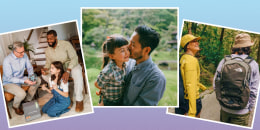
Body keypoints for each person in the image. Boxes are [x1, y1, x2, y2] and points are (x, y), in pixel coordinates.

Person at [214, 33, 259, 126]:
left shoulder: (224, 61)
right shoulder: (253, 64)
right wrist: (250, 108)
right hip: (242, 111)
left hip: (224, 108)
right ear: (248, 47)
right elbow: (254, 91)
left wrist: (222, 101)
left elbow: (216, 84)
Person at [41, 30, 84, 112]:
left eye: (51, 39)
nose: (49, 41)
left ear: (56, 37)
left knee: (78, 72)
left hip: (70, 65)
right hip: (58, 69)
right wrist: (45, 69)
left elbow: (74, 58)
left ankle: (79, 100)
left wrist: (67, 71)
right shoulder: (47, 50)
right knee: (44, 75)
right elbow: (48, 63)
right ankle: (64, 97)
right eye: (48, 39)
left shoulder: (66, 44)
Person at [123, 25, 166, 106]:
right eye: (129, 42)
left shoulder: (156, 78)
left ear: (146, 50)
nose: (128, 47)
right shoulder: (128, 63)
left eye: (133, 45)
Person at [2, 41, 41, 115]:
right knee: (21, 94)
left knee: (37, 80)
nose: (23, 54)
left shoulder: (24, 55)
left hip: (21, 78)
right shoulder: (7, 61)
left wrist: (32, 78)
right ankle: (15, 106)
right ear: (14, 51)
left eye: (23, 51)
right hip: (9, 82)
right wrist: (25, 81)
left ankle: (26, 100)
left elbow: (29, 68)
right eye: (20, 52)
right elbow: (9, 78)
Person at [175, 34, 207, 117]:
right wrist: (192, 112)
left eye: (197, 41)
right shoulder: (191, 61)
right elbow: (190, 85)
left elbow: (186, 79)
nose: (197, 43)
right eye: (194, 41)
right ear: (188, 45)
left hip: (182, 99)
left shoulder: (183, 57)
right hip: (191, 100)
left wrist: (202, 86)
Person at [94, 35, 130, 106]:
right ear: (111, 56)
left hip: (119, 100)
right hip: (109, 102)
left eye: (127, 49)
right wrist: (103, 90)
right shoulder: (108, 71)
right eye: (122, 50)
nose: (127, 53)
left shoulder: (124, 65)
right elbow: (97, 84)